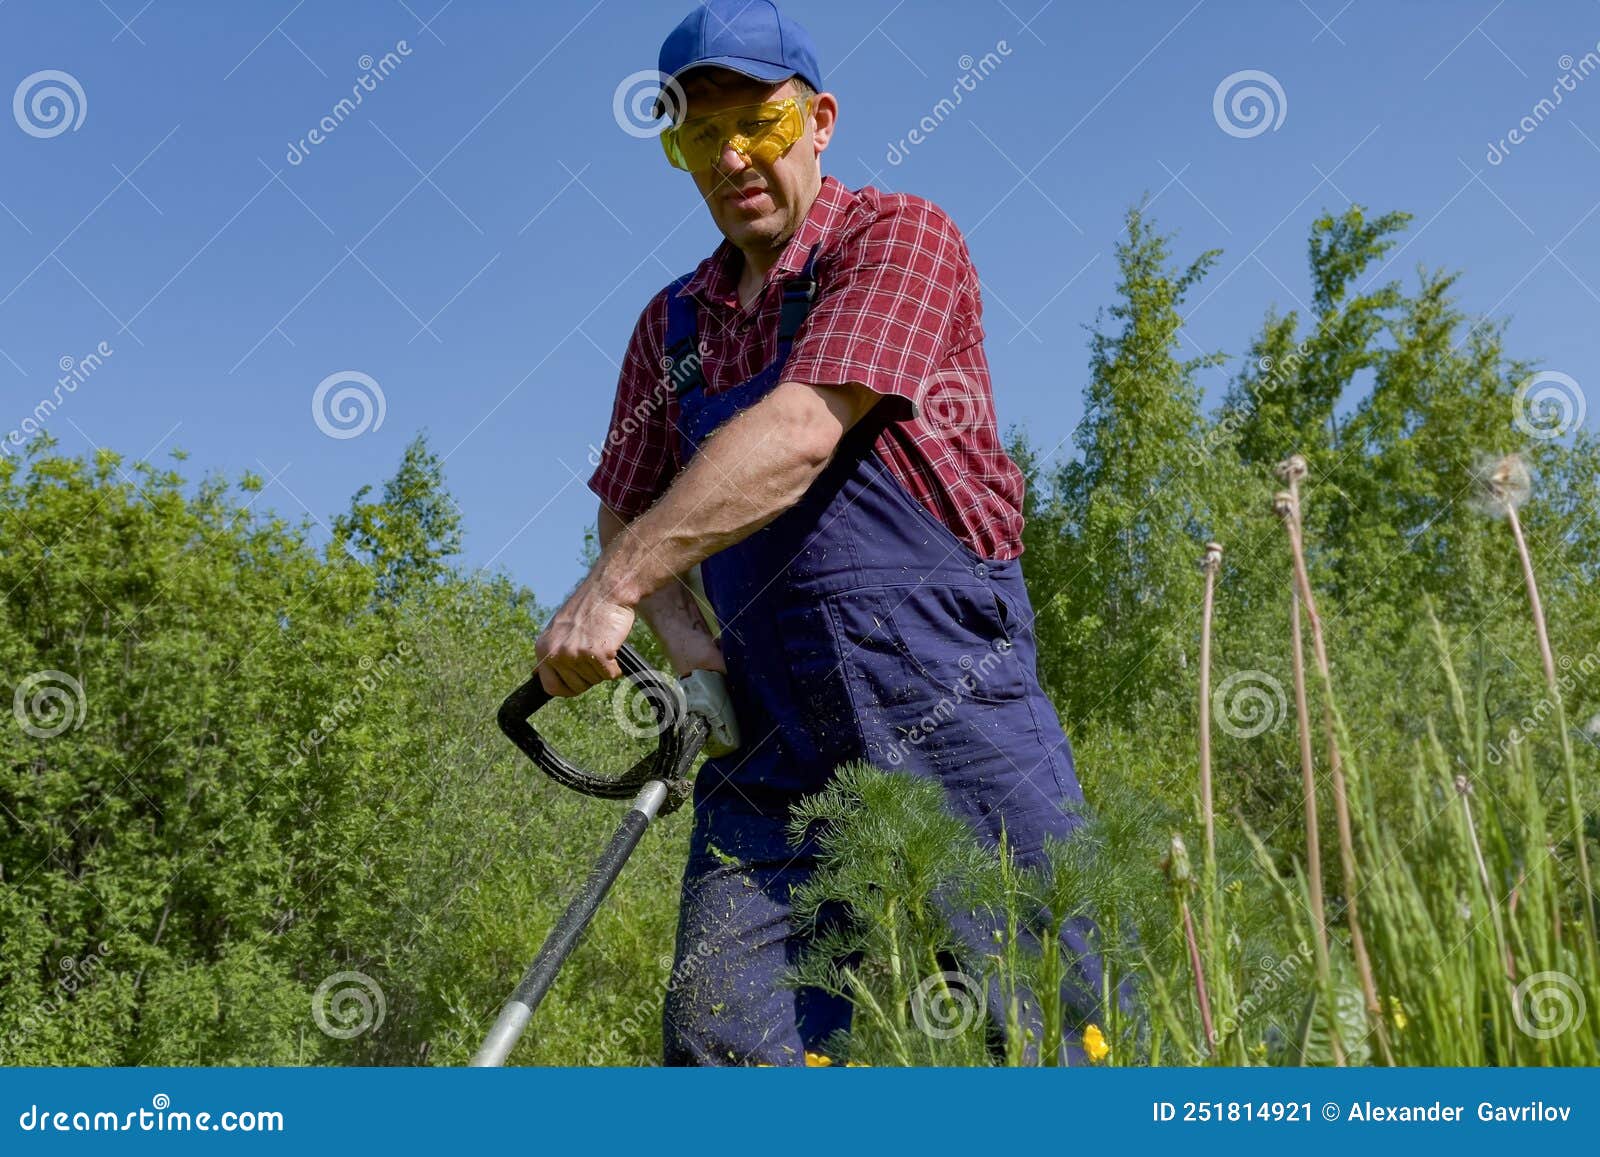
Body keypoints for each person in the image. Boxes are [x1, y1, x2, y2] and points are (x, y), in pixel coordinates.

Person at [535, 0, 1108, 1065]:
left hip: (947, 701)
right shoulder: (672, 325)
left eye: (761, 122)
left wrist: (615, 582)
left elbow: (801, 429)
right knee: (723, 1038)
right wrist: (676, 627)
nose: (733, 155)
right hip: (771, 743)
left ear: (822, 118)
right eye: (698, 136)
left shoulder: (897, 239)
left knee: (1034, 1025)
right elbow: (624, 490)